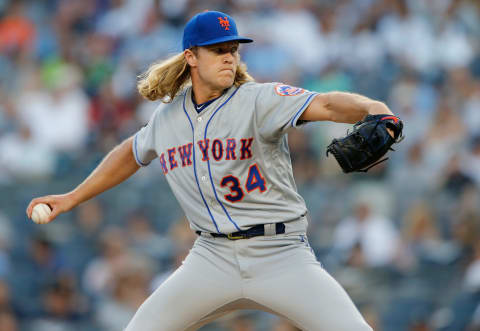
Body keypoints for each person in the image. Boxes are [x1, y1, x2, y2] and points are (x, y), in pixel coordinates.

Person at [27, 10, 399, 331]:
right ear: (191, 57)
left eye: (233, 50)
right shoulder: (167, 118)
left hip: (280, 253)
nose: (229, 58)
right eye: (218, 50)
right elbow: (130, 153)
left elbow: (329, 105)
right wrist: (72, 196)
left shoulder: (257, 99)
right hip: (210, 258)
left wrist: (374, 107)